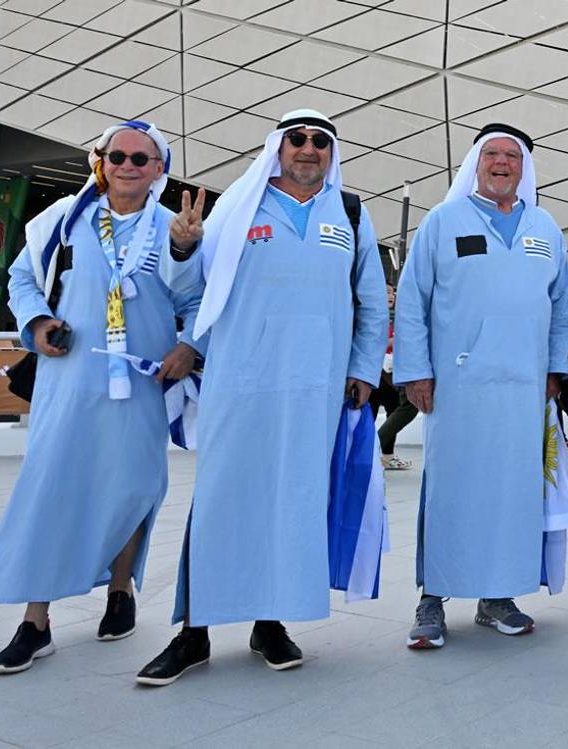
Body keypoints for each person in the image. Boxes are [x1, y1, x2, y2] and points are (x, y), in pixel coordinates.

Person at [136, 109, 388, 685]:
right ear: (277, 147)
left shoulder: (349, 213)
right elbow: (191, 291)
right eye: (296, 140)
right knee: (225, 498)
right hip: (242, 382)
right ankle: (193, 632)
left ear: (332, 152)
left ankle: (268, 624)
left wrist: (364, 371)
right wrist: (181, 249)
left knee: (292, 501)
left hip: (315, 390)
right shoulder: (239, 207)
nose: (308, 149)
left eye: (319, 142)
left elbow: (371, 303)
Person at [0, 120, 205, 674]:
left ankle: (121, 591)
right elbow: (22, 279)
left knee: (132, 488)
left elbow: (199, 298)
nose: (128, 165)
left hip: (144, 385)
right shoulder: (64, 218)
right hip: (71, 379)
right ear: (100, 162)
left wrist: (189, 345)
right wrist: (34, 323)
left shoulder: (173, 229)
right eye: (118, 156)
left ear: (160, 170)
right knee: (51, 488)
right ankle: (35, 621)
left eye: (141, 159)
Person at [393, 123, 568, 649]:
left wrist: (555, 368)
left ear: (524, 168)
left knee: (512, 493)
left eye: (511, 157)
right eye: (492, 154)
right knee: (452, 488)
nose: (501, 163)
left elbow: (562, 306)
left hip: (523, 387)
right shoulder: (443, 222)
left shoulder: (545, 228)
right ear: (476, 163)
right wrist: (415, 370)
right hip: (458, 384)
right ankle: (432, 599)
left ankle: (497, 596)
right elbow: (413, 300)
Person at [371, 281, 418, 470]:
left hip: (393, 374)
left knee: (394, 410)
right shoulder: (373, 316)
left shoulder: (398, 316)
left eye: (392, 292)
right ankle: (370, 451)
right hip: (376, 373)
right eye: (385, 292)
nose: (390, 296)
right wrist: (394, 340)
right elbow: (372, 342)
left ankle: (387, 456)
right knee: (371, 415)